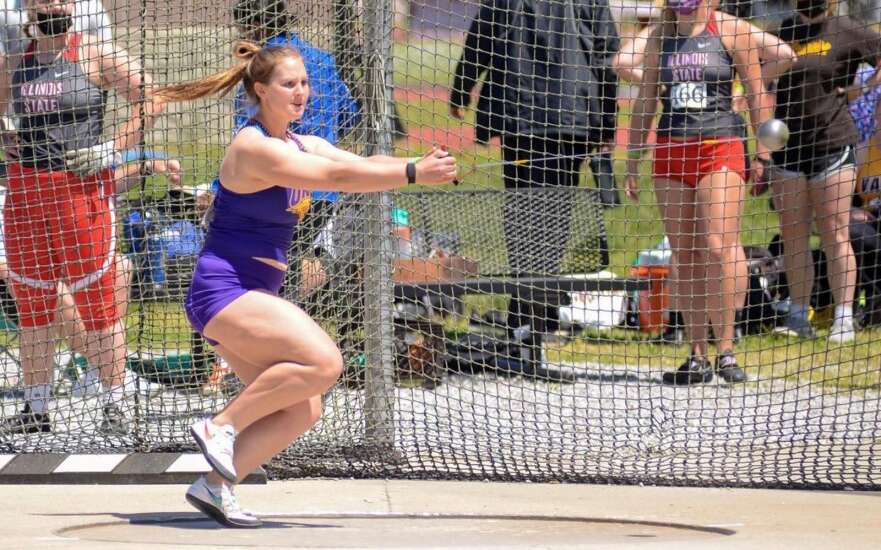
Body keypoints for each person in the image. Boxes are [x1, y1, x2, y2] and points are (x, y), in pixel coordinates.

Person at [153, 41, 457, 527]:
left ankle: (215, 486)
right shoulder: (253, 148)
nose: (301, 93)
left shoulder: (298, 142)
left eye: (305, 84)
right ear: (260, 91)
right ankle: (220, 427)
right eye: (288, 84)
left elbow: (354, 162)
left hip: (252, 294)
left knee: (302, 408)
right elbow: (335, 174)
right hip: (225, 290)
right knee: (324, 362)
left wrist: (413, 164)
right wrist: (412, 172)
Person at [0, 0, 164, 435]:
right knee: (32, 299)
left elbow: (152, 97)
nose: (54, 4)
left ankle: (115, 402)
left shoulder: (95, 53)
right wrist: (3, 135)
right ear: (30, 6)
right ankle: (36, 409)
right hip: (26, 191)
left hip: (80, 190)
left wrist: (113, 148)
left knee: (96, 298)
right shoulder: (16, 59)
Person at [612, 2, 796, 344]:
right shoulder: (659, 36)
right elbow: (645, 100)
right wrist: (633, 160)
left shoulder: (732, 30)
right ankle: (695, 351)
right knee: (684, 251)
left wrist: (762, 155)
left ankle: (726, 346)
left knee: (718, 247)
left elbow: (756, 93)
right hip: (672, 148)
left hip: (720, 145)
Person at [449, 0, 619, 366]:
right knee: (549, 219)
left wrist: (462, 86)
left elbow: (482, 34)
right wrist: (606, 120)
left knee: (526, 218)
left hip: (525, 111)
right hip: (565, 111)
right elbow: (607, 54)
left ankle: (528, 321)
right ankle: (531, 321)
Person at [769, 0, 881, 342]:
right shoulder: (784, 30)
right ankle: (799, 315)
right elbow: (760, 74)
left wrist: (861, 88)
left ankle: (844, 318)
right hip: (788, 146)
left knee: (835, 231)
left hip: (833, 142)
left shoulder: (847, 29)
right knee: (793, 234)